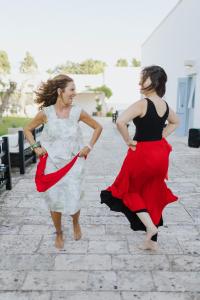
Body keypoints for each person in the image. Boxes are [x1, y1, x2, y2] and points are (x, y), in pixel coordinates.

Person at [100, 65, 179, 250]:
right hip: (160, 154)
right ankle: (151, 242)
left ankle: (150, 227)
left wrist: (128, 140)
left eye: (144, 77)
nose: (140, 81)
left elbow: (120, 121)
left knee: (128, 190)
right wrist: (161, 136)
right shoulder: (165, 105)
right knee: (151, 193)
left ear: (154, 81)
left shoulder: (143, 103)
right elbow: (175, 122)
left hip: (142, 154)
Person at [24, 74, 103, 249]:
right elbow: (27, 129)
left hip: (74, 164)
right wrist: (36, 147)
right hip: (52, 164)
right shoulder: (46, 113)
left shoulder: (77, 112)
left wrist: (88, 147)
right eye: (72, 89)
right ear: (60, 91)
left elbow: (98, 127)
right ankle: (59, 232)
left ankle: (75, 222)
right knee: (54, 199)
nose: (75, 93)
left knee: (74, 197)